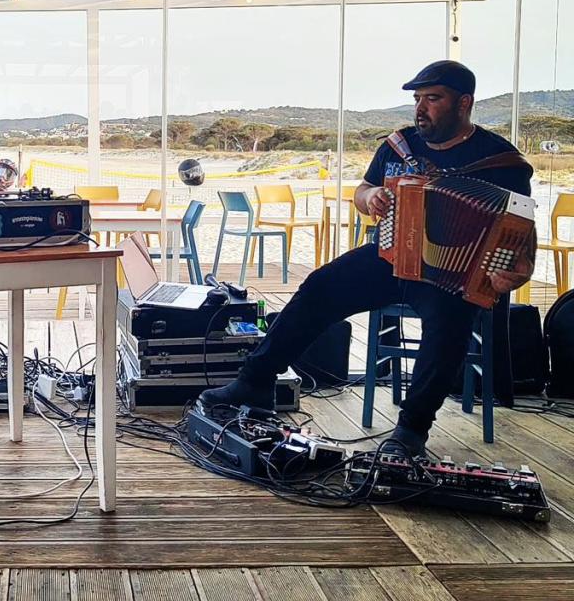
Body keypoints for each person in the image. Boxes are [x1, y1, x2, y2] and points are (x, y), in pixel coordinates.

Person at [199, 60, 535, 456]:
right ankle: (255, 381)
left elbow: (522, 234)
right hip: (390, 257)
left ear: (464, 103)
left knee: (450, 324)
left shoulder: (501, 162)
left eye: (433, 99)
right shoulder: (399, 146)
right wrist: (369, 197)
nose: (421, 108)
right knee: (321, 285)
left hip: (452, 276)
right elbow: (363, 190)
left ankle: (411, 430)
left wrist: (518, 271)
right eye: (417, 99)